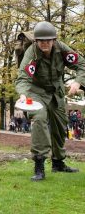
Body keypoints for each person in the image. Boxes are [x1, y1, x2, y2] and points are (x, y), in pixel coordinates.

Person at [15, 21, 85, 181]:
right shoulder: (31, 54)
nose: (45, 43)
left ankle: (58, 162)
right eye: (41, 41)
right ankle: (39, 165)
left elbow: (82, 64)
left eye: (48, 40)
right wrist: (23, 94)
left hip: (56, 92)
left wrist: (78, 81)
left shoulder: (62, 48)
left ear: (53, 40)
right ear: (36, 41)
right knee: (39, 120)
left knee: (60, 126)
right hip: (36, 92)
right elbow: (23, 78)